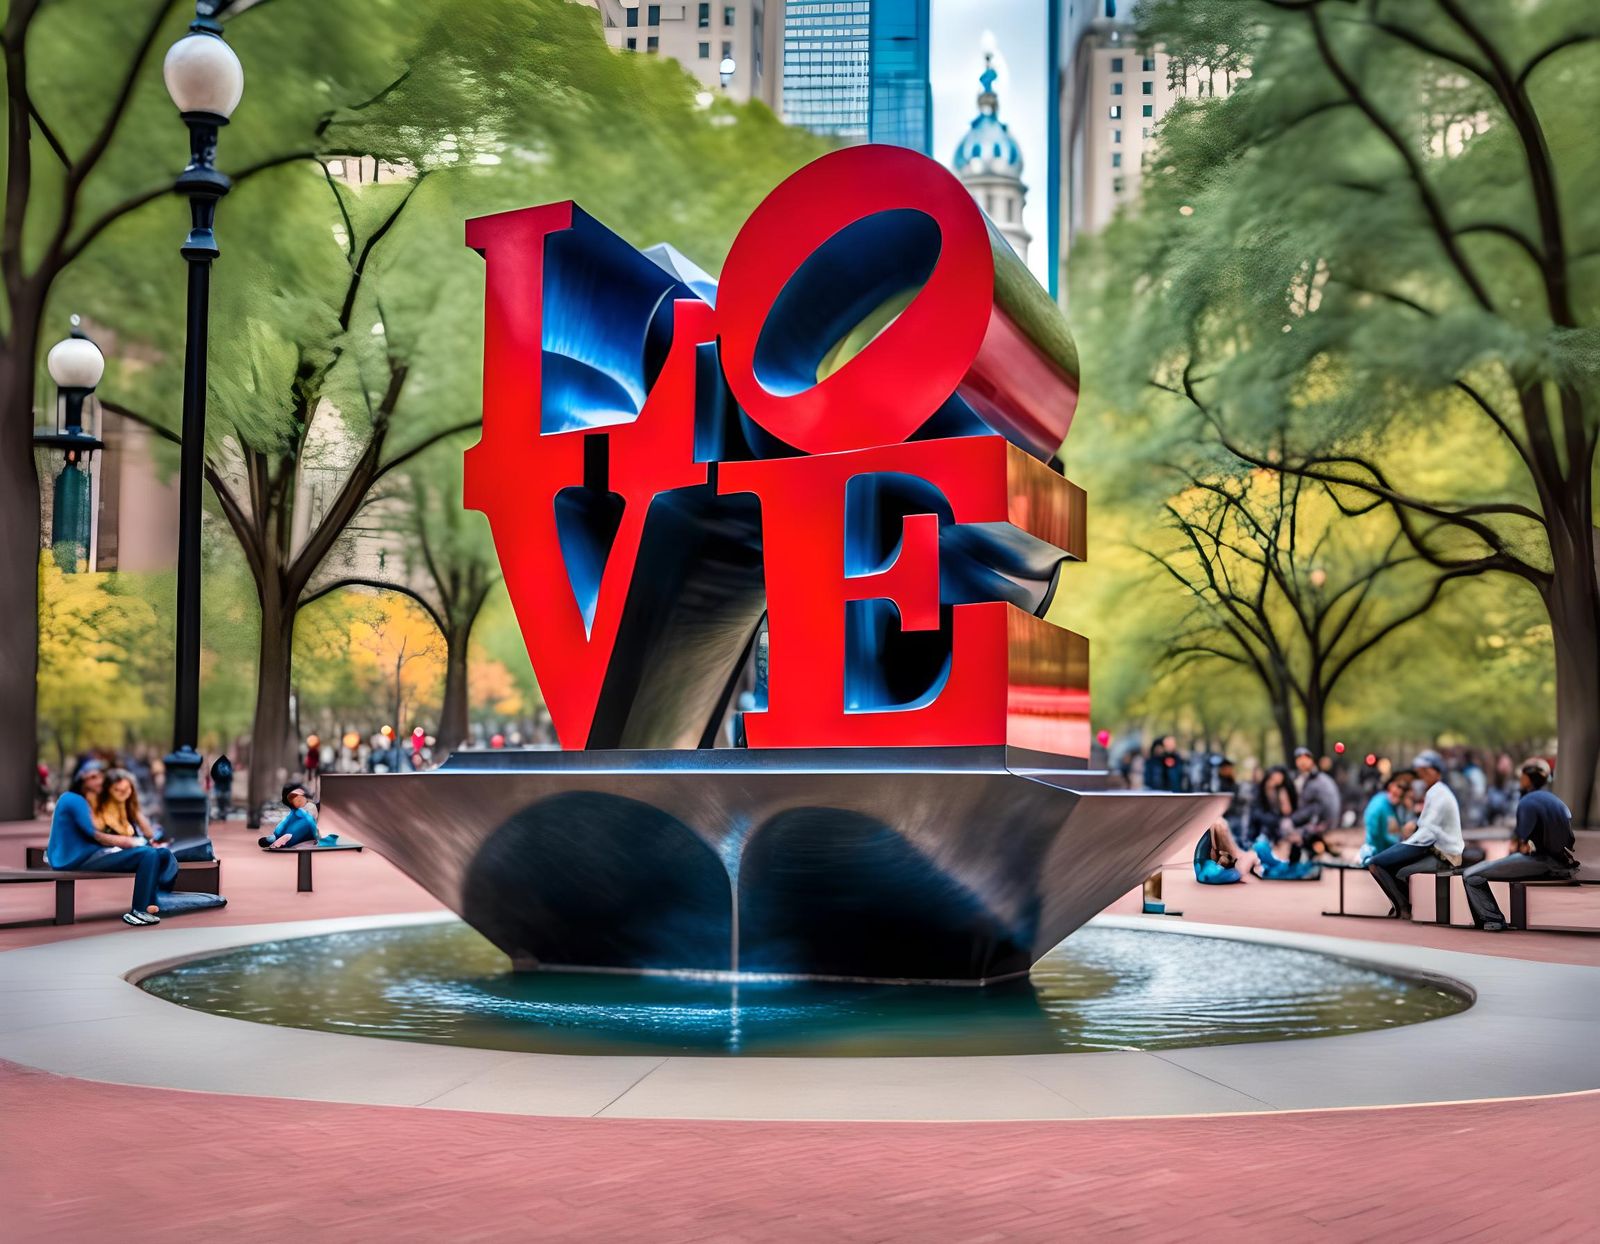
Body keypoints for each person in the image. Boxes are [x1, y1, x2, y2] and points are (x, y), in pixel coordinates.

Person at [45, 761, 177, 926]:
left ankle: (155, 902)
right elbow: (95, 835)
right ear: (81, 780)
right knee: (148, 854)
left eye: (100, 777)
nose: (99, 781)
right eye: (92, 777)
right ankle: (138, 911)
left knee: (163, 854)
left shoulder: (95, 802)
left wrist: (131, 812)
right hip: (77, 859)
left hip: (96, 854)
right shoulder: (73, 799)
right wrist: (129, 842)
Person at [1462, 758, 1579, 931]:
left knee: (1471, 875)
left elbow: (1522, 842)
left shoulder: (1527, 801)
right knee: (1483, 868)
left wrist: (1505, 860)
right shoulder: (1556, 800)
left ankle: (1492, 920)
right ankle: (1488, 920)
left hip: (1543, 862)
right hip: (1563, 863)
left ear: (1526, 778)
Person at [1367, 750, 1464, 918]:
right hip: (1430, 847)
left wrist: (1405, 843)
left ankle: (1403, 907)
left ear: (1436, 772)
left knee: (1378, 864)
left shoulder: (1438, 794)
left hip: (1443, 853)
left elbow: (1427, 831)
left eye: (1426, 772)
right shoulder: (1435, 792)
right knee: (1385, 863)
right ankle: (1402, 904)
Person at [1289, 746, 1340, 860]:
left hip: (1318, 822)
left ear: (1311, 760)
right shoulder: (1300, 778)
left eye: (1305, 758)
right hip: (1309, 821)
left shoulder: (1320, 781)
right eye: (1299, 759)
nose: (1302, 762)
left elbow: (1323, 807)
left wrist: (1295, 819)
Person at [95, 768, 166, 847]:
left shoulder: (130, 808)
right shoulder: (100, 810)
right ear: (108, 790)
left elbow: (149, 834)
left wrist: (134, 808)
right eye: (117, 789)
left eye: (127, 789)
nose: (123, 793)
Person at [1360, 771, 1411, 865]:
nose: (1400, 792)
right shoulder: (1379, 803)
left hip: (1391, 857)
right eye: (1398, 787)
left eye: (1404, 789)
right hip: (1378, 857)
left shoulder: (1398, 807)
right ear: (1391, 786)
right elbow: (1374, 832)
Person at [259, 783, 321, 849]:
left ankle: (283, 840)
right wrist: (277, 833)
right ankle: (276, 839)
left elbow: (307, 823)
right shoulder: (296, 811)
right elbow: (287, 822)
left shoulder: (309, 808)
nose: (297, 800)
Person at [210, 753, 235, 819]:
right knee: (225, 803)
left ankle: (221, 813)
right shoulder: (228, 763)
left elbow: (212, 773)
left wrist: (216, 780)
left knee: (220, 803)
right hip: (226, 788)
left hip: (218, 787)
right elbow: (231, 777)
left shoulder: (217, 764)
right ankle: (223, 814)